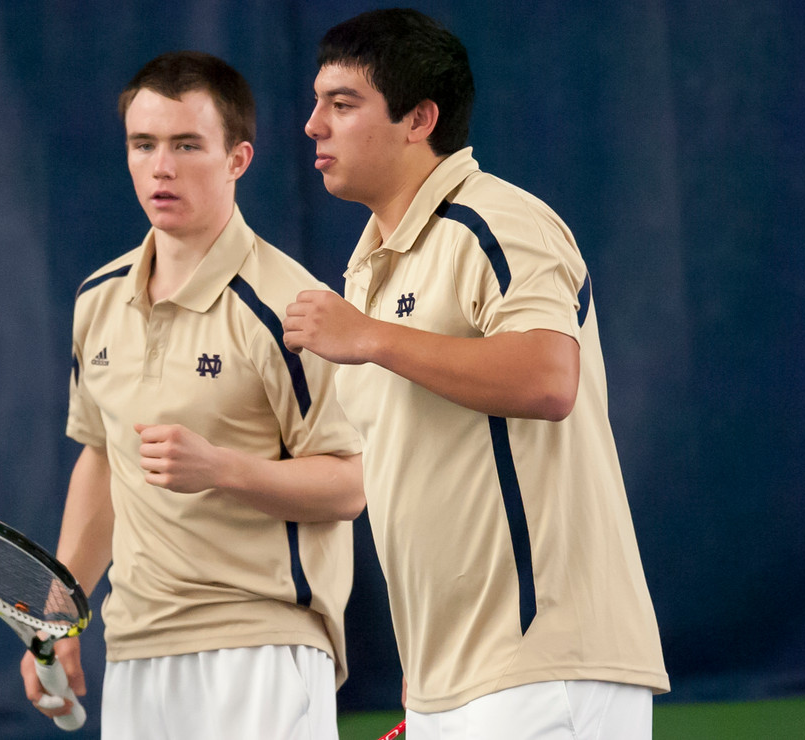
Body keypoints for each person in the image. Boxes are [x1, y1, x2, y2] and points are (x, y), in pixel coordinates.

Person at [283, 9, 669, 739]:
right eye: (315, 102)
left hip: (545, 665)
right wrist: (428, 679)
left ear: (418, 119)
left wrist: (368, 337)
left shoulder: (497, 221)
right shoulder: (367, 269)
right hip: (447, 680)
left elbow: (550, 378)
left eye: (342, 103)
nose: (312, 125)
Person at [20, 51, 364, 739]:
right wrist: (56, 613)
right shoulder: (97, 300)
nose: (161, 167)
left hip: (263, 647)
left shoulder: (292, 306)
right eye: (143, 145)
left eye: (186, 145)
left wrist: (220, 470)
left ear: (237, 158)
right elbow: (103, 462)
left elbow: (353, 484)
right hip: (139, 649)